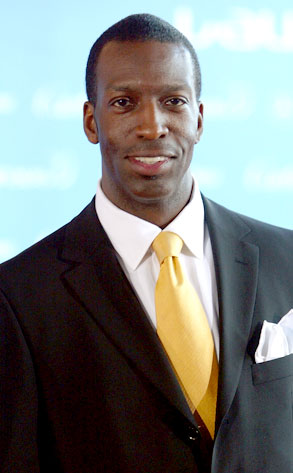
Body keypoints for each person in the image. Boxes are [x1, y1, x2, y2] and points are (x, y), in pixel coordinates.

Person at [0, 13, 292, 473]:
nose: (152, 126)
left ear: (198, 119)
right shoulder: (17, 296)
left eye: (173, 101)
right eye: (123, 103)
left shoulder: (287, 259)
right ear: (91, 121)